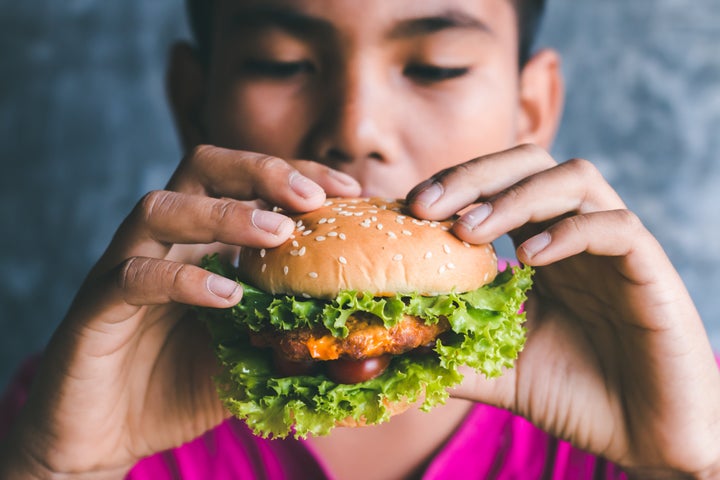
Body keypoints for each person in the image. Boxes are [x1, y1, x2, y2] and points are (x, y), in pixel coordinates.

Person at [2, 0, 720, 478]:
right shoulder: (83, 397)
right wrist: (62, 473)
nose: (356, 127)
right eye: (282, 62)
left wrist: (685, 469)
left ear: (531, 109)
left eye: (435, 66)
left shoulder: (657, 385)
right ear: (195, 102)